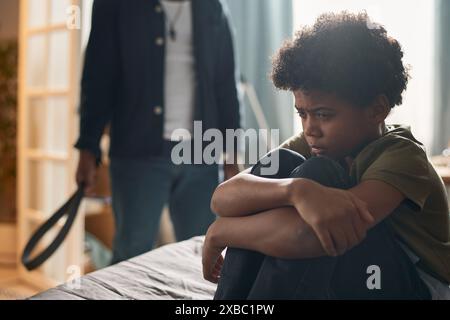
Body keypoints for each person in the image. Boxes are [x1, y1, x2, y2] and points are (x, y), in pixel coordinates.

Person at [202, 11, 450, 299]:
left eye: (323, 114)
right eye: (302, 114)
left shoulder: (404, 157)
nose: (310, 129)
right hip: (356, 277)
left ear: (376, 110)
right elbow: (223, 198)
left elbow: (305, 237)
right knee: (285, 165)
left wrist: (221, 232)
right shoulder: (316, 142)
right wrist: (296, 190)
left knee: (321, 174)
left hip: (414, 288)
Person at [75, 0, 242, 264]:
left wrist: (232, 155)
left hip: (200, 154)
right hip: (136, 153)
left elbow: (225, 84)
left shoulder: (212, 7)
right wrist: (87, 147)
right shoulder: (114, 5)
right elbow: (98, 78)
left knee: (205, 254)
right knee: (132, 254)